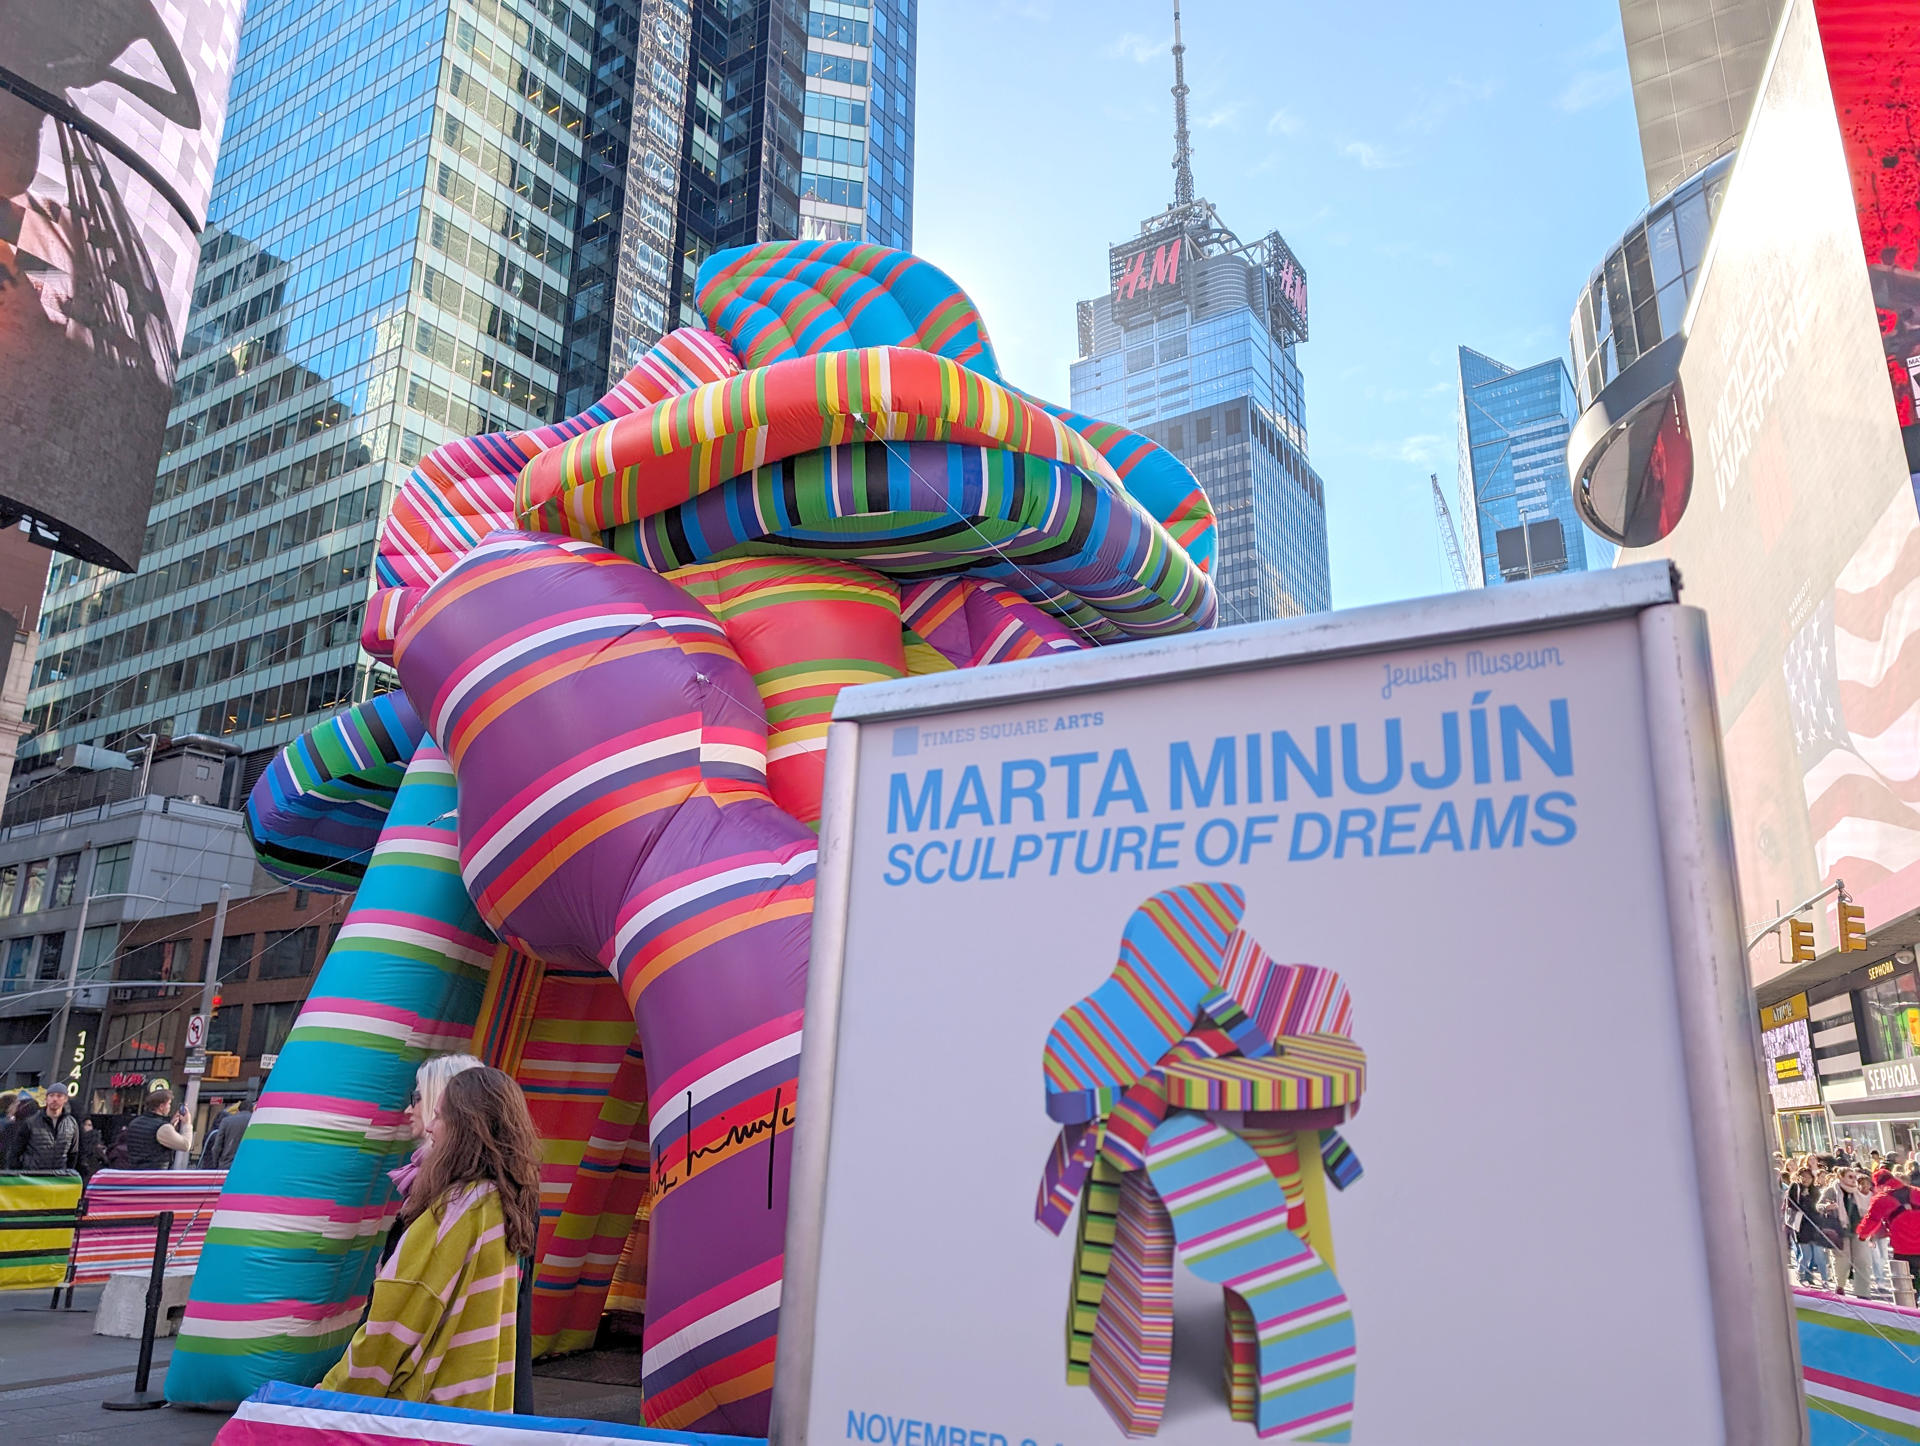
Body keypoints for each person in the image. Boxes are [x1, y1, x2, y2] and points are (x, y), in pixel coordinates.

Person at [320, 1067, 541, 1411]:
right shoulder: (503, 1204)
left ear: (466, 1127)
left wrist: (333, 1391)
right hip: (475, 1411)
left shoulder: (455, 1210)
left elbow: (394, 1320)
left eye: (438, 1116)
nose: (430, 1126)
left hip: (422, 1413)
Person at [1859, 1168, 1920, 1296]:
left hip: (1903, 1249)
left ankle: (1910, 1313)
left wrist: (1862, 1236)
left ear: (1878, 1185)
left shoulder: (1881, 1199)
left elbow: (1871, 1221)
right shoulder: (1916, 1191)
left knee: (1907, 1288)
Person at [8, 1082, 79, 1171]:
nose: (54, 1099)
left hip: (58, 1178)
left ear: (65, 1099)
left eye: (59, 1096)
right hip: (33, 1177)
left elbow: (73, 1154)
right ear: (46, 1098)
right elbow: (16, 1151)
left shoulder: (72, 1124)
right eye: (51, 1095)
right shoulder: (30, 1122)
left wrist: (67, 1173)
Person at [121, 1090, 193, 1169]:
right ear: (161, 1107)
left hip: (134, 1172)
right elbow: (185, 1145)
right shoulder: (162, 1127)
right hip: (155, 1174)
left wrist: (171, 1125)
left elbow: (149, 1141)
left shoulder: (134, 1123)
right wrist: (187, 1124)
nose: (170, 1107)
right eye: (169, 1104)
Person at [1787, 1166, 1832, 1287]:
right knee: (1806, 1255)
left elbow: (1818, 1206)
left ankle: (1825, 1281)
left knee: (1819, 1255)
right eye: (1803, 1177)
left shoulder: (1815, 1190)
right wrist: (1804, 1207)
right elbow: (1791, 1203)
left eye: (1809, 1177)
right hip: (1802, 1226)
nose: (1806, 1179)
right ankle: (1801, 1274)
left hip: (1815, 1225)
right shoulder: (1795, 1188)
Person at [1819, 1171, 1861, 1293]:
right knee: (1842, 1260)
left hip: (1856, 1229)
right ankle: (1840, 1285)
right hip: (1839, 1230)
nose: (1853, 1179)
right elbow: (1819, 1205)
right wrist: (1827, 1207)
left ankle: (1861, 1291)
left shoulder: (1857, 1191)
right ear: (1841, 1177)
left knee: (1861, 1260)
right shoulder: (1832, 1190)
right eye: (1850, 1176)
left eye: (1855, 1177)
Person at [201, 1097, 252, 1170]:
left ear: (238, 1110)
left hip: (226, 1165)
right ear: (252, 1110)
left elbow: (217, 1147)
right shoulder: (255, 1122)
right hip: (246, 1165)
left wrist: (216, 1164)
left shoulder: (226, 1121)